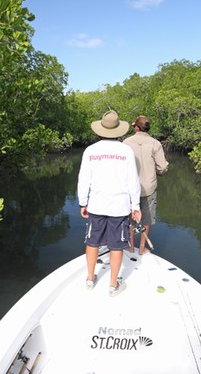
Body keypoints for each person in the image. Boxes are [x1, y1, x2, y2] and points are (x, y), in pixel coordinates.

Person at [77, 110, 141, 297]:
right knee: (116, 245)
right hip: (119, 208)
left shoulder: (91, 151)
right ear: (119, 131)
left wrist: (83, 203)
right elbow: (133, 181)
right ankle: (113, 285)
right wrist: (135, 206)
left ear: (100, 129)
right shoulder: (126, 151)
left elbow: (83, 180)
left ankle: (90, 279)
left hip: (96, 205)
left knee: (92, 242)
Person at [124, 115, 169, 254]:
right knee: (147, 218)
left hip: (130, 188)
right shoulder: (155, 143)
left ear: (136, 127)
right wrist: (155, 172)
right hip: (149, 188)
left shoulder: (126, 143)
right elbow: (162, 167)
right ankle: (142, 248)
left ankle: (130, 246)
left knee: (130, 219)